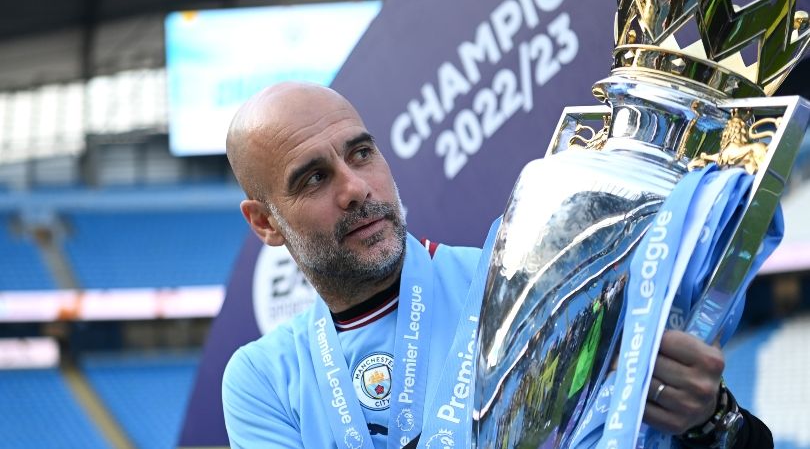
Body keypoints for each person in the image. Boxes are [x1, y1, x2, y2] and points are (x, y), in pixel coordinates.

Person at [221, 82, 772, 448]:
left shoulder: (527, 286)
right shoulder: (262, 378)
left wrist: (711, 420)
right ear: (265, 223)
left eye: (361, 153)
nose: (356, 188)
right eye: (314, 178)